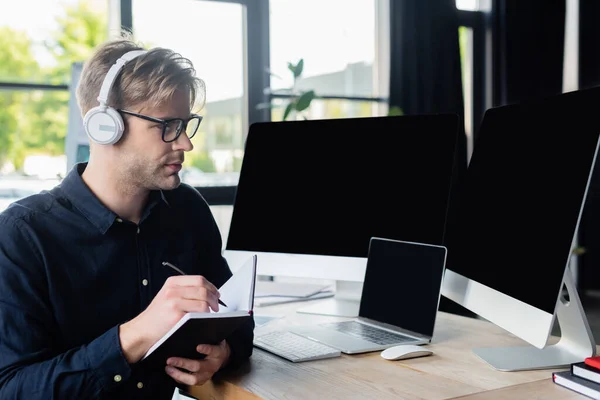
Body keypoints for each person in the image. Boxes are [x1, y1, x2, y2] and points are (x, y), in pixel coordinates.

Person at [0, 36, 254, 399]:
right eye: (167, 125)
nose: (185, 144)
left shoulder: (187, 211)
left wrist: (222, 353)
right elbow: (11, 389)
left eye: (186, 124)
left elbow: (238, 321)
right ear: (106, 126)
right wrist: (133, 336)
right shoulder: (22, 237)